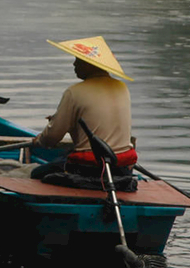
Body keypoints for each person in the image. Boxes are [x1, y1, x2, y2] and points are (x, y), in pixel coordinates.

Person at [30, 36, 137, 190]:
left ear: (90, 64)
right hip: (121, 167)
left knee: (36, 173)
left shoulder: (74, 92)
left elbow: (51, 139)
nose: (74, 64)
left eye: (78, 60)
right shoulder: (122, 88)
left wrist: (38, 141)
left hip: (89, 168)